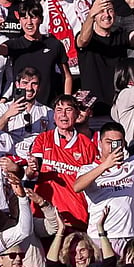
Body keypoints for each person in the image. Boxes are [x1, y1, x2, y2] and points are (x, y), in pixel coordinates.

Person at [74, 107, 134, 251]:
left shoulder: (133, 164)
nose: (113, 147)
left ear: (124, 144)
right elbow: (77, 186)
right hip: (100, 237)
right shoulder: (88, 168)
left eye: (118, 142)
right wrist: (105, 165)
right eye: (108, 142)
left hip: (129, 237)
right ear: (99, 143)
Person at [26, 95, 99, 230]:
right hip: (45, 217)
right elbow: (31, 173)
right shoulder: (43, 139)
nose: (63, 114)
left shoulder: (87, 145)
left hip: (75, 216)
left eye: (68, 110)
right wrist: (31, 167)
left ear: (77, 114)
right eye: (59, 110)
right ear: (53, 115)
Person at [0, 2, 72, 106]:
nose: (29, 22)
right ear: (20, 21)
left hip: (48, 108)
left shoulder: (54, 44)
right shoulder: (15, 44)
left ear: (41, 19)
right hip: (20, 107)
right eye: (24, 18)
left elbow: (67, 76)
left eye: (33, 17)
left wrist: (67, 102)